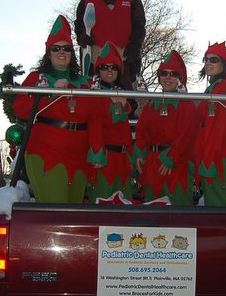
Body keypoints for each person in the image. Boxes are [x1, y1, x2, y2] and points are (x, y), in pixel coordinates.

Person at [12, 15, 105, 204]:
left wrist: (97, 149)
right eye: (56, 48)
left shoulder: (85, 83)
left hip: (79, 156)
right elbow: (20, 109)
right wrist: (49, 95)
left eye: (66, 48)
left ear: (72, 52)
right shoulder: (36, 79)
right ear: (48, 52)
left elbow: (96, 118)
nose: (61, 52)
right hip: (46, 152)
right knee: (54, 209)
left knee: (74, 213)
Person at [134, 50, 198, 205]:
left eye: (173, 74)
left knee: (176, 215)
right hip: (152, 164)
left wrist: (170, 158)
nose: (168, 77)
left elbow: (188, 135)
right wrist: (140, 153)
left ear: (180, 79)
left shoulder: (186, 103)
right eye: (164, 73)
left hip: (177, 166)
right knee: (153, 213)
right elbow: (141, 130)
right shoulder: (152, 103)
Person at [196, 42, 226, 206]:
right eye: (206, 59)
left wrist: (209, 159)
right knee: (215, 204)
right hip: (216, 154)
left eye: (214, 59)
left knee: (219, 207)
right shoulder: (215, 88)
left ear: (224, 64)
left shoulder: (224, 87)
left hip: (219, 155)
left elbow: (219, 128)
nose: (208, 63)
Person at [87, 42, 134, 203]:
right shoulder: (94, 93)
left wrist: (131, 155)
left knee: (125, 205)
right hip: (104, 159)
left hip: (122, 160)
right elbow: (95, 124)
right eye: (104, 66)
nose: (109, 70)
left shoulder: (122, 93)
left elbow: (124, 130)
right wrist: (97, 153)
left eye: (113, 67)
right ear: (98, 70)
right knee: (101, 203)